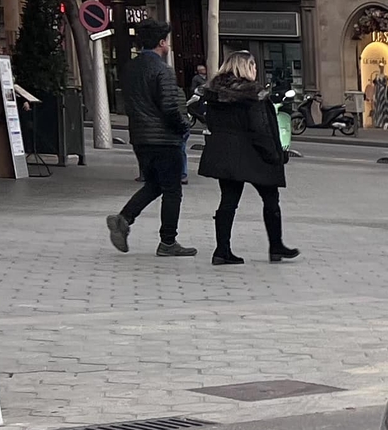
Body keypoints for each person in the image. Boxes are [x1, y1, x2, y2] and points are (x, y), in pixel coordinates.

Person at [198, 49, 296, 264]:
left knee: (228, 201)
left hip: (225, 153)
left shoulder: (214, 93)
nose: (255, 71)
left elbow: (209, 120)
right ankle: (276, 246)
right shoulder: (253, 95)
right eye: (253, 66)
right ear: (247, 67)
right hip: (253, 154)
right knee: (270, 198)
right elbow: (261, 128)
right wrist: (275, 155)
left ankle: (222, 251)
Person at [107, 25, 196, 257]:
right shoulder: (162, 71)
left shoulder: (130, 68)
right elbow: (169, 107)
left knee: (155, 184)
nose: (168, 45)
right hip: (165, 139)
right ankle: (168, 242)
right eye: (166, 40)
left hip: (140, 137)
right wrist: (183, 127)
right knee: (172, 191)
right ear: (160, 43)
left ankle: (124, 218)